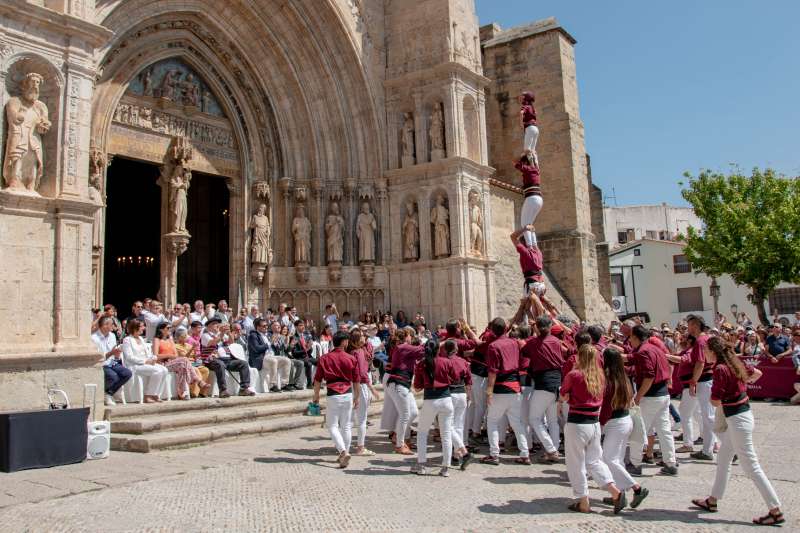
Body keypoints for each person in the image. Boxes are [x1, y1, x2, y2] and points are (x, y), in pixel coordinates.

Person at [691, 336, 784, 526]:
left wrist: (728, 392)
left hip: (737, 420)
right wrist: (740, 387)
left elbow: (715, 401)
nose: (704, 354)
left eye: (706, 350)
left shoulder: (720, 369)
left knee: (751, 466)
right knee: (724, 457)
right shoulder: (734, 362)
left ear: (713, 351)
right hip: (742, 415)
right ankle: (713, 500)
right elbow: (757, 373)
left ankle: (775, 510)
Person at [560, 343, 626, 514]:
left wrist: (566, 397)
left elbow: (564, 394)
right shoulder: (601, 376)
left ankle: (583, 501)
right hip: (594, 423)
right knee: (594, 461)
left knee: (576, 464)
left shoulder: (574, 375)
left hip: (577, 423)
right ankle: (615, 492)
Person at [601, 347, 650, 510]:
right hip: (625, 420)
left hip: (615, 422)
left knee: (609, 459)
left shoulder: (609, 379)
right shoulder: (623, 378)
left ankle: (637, 488)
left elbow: (607, 406)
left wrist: (600, 423)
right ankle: (618, 493)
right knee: (618, 459)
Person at [628, 325, 678, 475]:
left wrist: (638, 397)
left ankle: (635, 464)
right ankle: (670, 463)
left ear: (636, 337)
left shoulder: (644, 351)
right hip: (663, 395)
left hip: (650, 397)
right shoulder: (654, 348)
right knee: (664, 431)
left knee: (639, 430)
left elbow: (649, 376)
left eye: (631, 337)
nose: (630, 340)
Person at [481, 317, 531, 465]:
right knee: (517, 423)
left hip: (501, 388)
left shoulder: (493, 346)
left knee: (492, 421)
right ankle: (525, 453)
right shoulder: (515, 343)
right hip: (515, 387)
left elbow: (493, 372)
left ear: (492, 330)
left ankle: (494, 454)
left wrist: (489, 391)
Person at [411, 339, 459, 476]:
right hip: (446, 399)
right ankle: (445, 468)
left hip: (430, 400)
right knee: (446, 434)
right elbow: (455, 377)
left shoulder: (421, 364)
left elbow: (417, 387)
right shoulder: (446, 361)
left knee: (422, 433)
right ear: (439, 349)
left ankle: (421, 465)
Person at [312, 331, 359, 469]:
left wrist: (316, 396)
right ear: (344, 342)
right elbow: (356, 380)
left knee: (332, 425)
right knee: (346, 426)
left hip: (333, 393)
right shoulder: (351, 358)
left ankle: (343, 452)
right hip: (347, 393)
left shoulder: (325, 358)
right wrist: (357, 397)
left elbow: (317, 380)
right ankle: (345, 452)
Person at [523, 314, 564, 463]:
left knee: (534, 419)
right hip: (557, 381)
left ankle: (551, 449)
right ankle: (553, 449)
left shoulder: (534, 342)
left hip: (543, 383)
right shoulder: (556, 342)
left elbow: (524, 351)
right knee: (553, 420)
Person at [385, 328, 425, 454]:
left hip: (403, 384)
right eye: (410, 335)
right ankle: (400, 444)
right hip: (398, 384)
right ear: (406, 336)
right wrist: (441, 342)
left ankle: (398, 435)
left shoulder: (405, 347)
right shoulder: (403, 346)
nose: (411, 338)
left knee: (413, 412)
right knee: (405, 415)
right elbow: (423, 349)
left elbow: (421, 353)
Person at [686, 314, 716, 461]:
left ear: (696, 325)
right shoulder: (708, 338)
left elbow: (700, 363)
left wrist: (693, 382)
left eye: (690, 325)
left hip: (705, 381)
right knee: (708, 416)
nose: (688, 328)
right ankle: (711, 447)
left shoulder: (700, 340)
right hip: (708, 380)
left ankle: (710, 450)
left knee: (708, 417)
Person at [200, 318, 254, 398]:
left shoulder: (221, 334)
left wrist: (228, 332)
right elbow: (213, 342)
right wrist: (221, 333)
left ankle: (244, 388)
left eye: (217, 323)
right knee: (220, 364)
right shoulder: (205, 335)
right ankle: (223, 390)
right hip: (210, 360)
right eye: (214, 323)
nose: (217, 325)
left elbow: (231, 342)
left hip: (226, 359)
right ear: (208, 327)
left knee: (243, 364)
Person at [153, 322, 206, 400]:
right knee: (184, 360)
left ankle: (183, 393)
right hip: (162, 363)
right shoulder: (156, 340)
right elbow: (156, 355)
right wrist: (168, 355)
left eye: (170, 328)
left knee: (183, 366)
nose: (170, 329)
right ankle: (197, 380)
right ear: (161, 329)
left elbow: (175, 355)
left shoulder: (170, 339)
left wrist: (170, 356)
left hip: (172, 362)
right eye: (168, 328)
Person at [121, 318, 168, 403]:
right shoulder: (127, 340)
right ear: (135, 328)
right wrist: (145, 362)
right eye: (142, 326)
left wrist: (153, 359)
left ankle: (156, 394)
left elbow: (148, 354)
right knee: (157, 371)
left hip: (146, 363)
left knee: (164, 370)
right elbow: (129, 357)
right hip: (135, 365)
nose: (144, 328)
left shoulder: (141, 339)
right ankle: (148, 395)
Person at [444, 339, 473, 470]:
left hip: (450, 394)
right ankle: (456, 456)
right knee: (459, 425)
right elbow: (468, 380)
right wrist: (469, 395)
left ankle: (461, 452)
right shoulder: (463, 361)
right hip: (462, 393)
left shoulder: (445, 362)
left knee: (448, 426)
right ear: (456, 349)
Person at [349, 328, 379, 456]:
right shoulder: (359, 352)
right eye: (361, 336)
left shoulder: (352, 351)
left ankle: (344, 445)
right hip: (360, 385)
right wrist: (372, 389)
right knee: (362, 419)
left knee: (350, 418)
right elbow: (362, 373)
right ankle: (360, 447)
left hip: (351, 385)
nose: (364, 337)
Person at [92, 316, 131, 405]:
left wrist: (116, 355)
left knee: (127, 373)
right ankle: (106, 394)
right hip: (101, 364)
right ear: (105, 325)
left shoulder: (112, 336)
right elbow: (99, 358)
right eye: (111, 324)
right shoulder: (94, 338)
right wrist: (112, 353)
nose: (113, 326)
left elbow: (113, 354)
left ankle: (109, 393)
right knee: (113, 376)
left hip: (111, 362)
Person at [248, 318, 290, 393]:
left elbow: (273, 347)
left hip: (270, 356)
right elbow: (257, 349)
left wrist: (276, 343)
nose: (266, 327)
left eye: (267, 325)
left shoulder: (268, 335)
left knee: (286, 360)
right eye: (264, 326)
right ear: (258, 327)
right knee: (273, 361)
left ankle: (284, 384)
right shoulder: (253, 336)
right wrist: (270, 342)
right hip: (260, 359)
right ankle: (272, 385)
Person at [514, 155, 543, 248]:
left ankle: (530, 246)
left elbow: (515, 163)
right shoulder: (536, 170)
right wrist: (533, 157)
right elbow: (536, 163)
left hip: (531, 198)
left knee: (524, 224)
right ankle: (534, 245)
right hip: (539, 199)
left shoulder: (527, 169)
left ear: (525, 162)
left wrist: (523, 154)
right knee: (530, 224)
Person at [510, 226, 545, 297]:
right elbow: (535, 244)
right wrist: (532, 233)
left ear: (523, 243)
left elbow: (513, 237)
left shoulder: (525, 252)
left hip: (532, 285)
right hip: (542, 285)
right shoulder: (538, 253)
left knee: (525, 308)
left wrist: (525, 229)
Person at [175, 327, 210, 398]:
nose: (186, 338)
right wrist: (191, 349)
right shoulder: (176, 346)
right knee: (196, 370)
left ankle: (202, 392)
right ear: (179, 338)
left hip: (194, 363)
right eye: (184, 336)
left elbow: (194, 356)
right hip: (185, 364)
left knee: (205, 370)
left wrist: (201, 354)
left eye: (186, 336)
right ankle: (194, 393)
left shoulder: (188, 345)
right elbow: (184, 357)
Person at [290, 319, 315, 389]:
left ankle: (317, 381)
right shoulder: (293, 337)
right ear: (296, 327)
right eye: (300, 325)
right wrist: (305, 350)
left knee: (321, 361)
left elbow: (309, 351)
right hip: (299, 358)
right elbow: (294, 353)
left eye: (303, 325)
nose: (303, 327)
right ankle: (309, 384)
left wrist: (310, 348)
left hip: (307, 356)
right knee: (309, 364)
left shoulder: (306, 336)